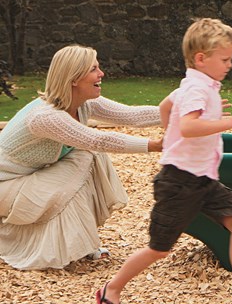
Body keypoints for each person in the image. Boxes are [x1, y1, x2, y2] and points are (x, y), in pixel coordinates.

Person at [97, 18, 232, 304]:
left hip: (203, 180)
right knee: (159, 249)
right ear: (201, 58)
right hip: (179, 182)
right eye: (225, 59)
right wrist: (227, 122)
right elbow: (188, 127)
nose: (230, 64)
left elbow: (166, 107)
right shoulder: (197, 89)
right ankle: (112, 289)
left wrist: (170, 134)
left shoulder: (197, 85)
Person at [0, 45, 166, 271]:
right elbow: (99, 140)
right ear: (74, 78)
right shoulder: (46, 117)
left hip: (27, 178)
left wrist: (186, 112)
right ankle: (60, 249)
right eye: (94, 69)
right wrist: (153, 145)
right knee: (84, 158)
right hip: (5, 185)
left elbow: (131, 115)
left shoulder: (84, 104)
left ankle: (78, 243)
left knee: (85, 159)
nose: (102, 74)